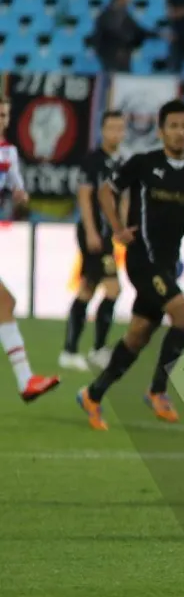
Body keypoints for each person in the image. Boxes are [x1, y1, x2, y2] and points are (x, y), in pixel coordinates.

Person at [76, 100, 184, 431]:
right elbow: (106, 192)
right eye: (174, 126)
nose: (181, 132)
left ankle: (92, 395)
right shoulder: (143, 163)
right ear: (161, 131)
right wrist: (117, 229)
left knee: (138, 335)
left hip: (167, 265)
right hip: (142, 260)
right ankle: (157, 391)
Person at [0, 96, 62, 401]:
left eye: (4, 115)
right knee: (4, 302)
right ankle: (25, 380)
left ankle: (27, 380)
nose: (1, 120)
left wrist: (20, 196)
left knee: (5, 303)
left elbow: (17, 187)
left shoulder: (9, 152)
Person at [60, 111, 128, 371]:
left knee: (90, 289)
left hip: (107, 235)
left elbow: (123, 199)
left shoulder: (121, 163)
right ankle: (83, 350)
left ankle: (80, 350)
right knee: (109, 289)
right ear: (102, 131)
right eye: (111, 128)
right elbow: (85, 197)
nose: (116, 133)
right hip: (93, 233)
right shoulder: (92, 161)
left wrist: (121, 228)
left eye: (120, 128)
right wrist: (90, 231)